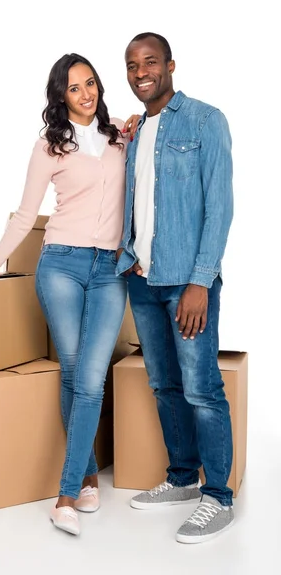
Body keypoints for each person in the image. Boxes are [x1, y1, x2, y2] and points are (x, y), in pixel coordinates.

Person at [0, 53, 139, 536]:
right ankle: (84, 478)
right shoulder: (49, 145)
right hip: (61, 266)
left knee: (90, 380)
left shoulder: (120, 133)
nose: (86, 94)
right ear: (60, 96)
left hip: (111, 268)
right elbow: (25, 215)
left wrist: (137, 122)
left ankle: (66, 494)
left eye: (90, 83)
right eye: (74, 88)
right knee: (74, 372)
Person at [116, 32, 234, 544]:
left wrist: (200, 282)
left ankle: (219, 498)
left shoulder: (206, 121)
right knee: (164, 387)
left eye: (150, 62)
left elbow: (219, 207)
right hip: (142, 280)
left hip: (186, 284)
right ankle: (184, 478)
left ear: (170, 65)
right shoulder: (137, 130)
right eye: (132, 64)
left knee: (202, 390)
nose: (141, 71)